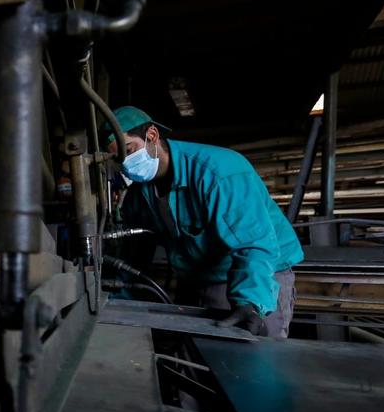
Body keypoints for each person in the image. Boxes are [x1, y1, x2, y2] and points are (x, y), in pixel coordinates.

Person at [107, 106, 303, 338]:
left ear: (152, 135)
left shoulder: (218, 172)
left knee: (253, 360)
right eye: (119, 158)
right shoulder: (140, 194)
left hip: (257, 274)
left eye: (129, 150)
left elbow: (254, 243)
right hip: (196, 276)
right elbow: (135, 251)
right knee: (195, 355)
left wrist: (251, 302)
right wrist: (119, 298)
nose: (126, 164)